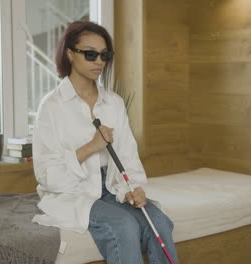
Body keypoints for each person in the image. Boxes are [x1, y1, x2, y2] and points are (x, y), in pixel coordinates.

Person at [32, 20, 178, 264]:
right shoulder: (51, 106)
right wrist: (91, 147)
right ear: (70, 53)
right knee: (123, 226)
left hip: (113, 187)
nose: (98, 61)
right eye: (90, 54)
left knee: (160, 223)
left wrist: (134, 187)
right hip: (72, 192)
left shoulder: (114, 103)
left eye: (104, 55)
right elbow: (47, 175)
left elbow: (128, 155)